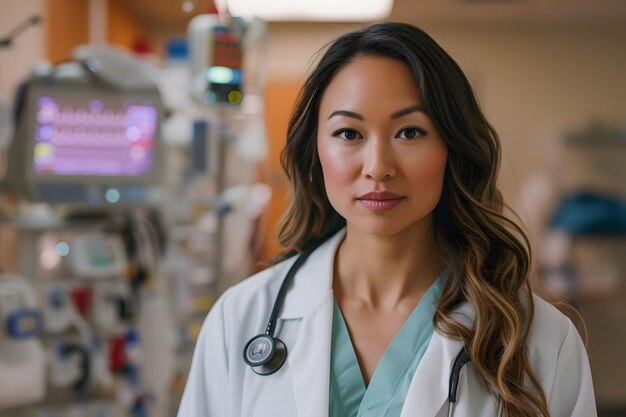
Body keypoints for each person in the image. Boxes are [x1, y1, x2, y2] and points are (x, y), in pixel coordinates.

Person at [176, 22, 597, 417]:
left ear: (452, 150)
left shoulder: (540, 340)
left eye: (409, 132)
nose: (378, 167)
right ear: (315, 153)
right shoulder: (240, 318)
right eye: (349, 133)